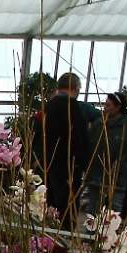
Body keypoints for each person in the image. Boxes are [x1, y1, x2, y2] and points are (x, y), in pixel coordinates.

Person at [42, 73, 88, 220]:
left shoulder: (48, 106)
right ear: (76, 88)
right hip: (69, 166)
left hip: (49, 163)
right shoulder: (73, 107)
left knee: (50, 206)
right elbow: (80, 139)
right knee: (67, 210)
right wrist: (84, 164)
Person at [86, 92, 127, 214]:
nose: (105, 108)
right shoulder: (99, 123)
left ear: (118, 107)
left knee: (113, 214)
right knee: (92, 211)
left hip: (118, 176)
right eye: (105, 105)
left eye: (108, 105)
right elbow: (91, 145)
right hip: (96, 173)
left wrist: (120, 164)